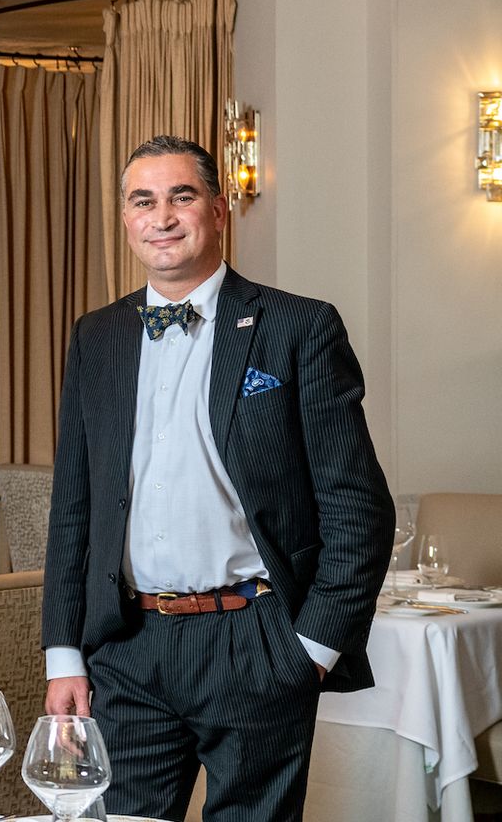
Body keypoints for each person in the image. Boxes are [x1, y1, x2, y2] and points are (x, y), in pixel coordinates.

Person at [41, 135, 394, 821]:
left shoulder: (298, 327)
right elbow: (73, 510)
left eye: (182, 196)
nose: (162, 216)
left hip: (254, 639)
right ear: (125, 220)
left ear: (219, 210)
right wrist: (65, 654)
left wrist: (311, 650)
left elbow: (358, 509)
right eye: (143, 201)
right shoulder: (98, 337)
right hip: (126, 646)